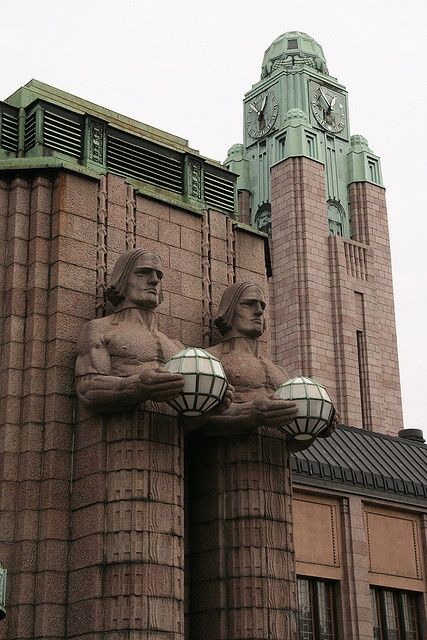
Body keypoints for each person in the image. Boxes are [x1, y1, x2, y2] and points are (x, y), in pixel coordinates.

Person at [203, 282, 335, 445]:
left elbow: (291, 443)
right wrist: (252, 414)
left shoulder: (280, 371)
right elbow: (197, 418)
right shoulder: (210, 359)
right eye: (249, 304)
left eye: (262, 306)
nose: (259, 311)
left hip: (280, 466)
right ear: (229, 309)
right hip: (229, 461)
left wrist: (314, 424)